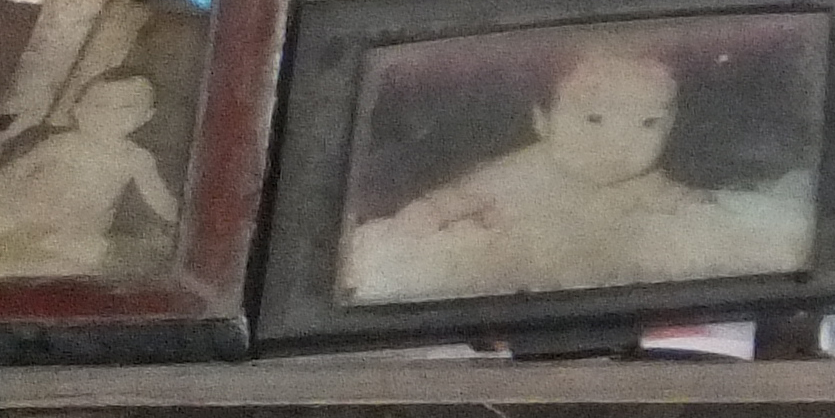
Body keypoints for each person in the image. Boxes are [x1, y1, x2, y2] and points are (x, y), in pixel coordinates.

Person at [340, 47, 810, 304]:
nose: (619, 142)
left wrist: (698, 214)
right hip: (515, 276)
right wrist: (426, 215)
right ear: (542, 120)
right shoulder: (521, 172)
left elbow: (687, 208)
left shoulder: (646, 183)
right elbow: (458, 198)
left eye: (648, 124)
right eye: (594, 119)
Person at [0, 72, 177, 278]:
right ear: (78, 110)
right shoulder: (62, 143)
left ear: (146, 116)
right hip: (30, 209)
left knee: (82, 259)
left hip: (76, 226)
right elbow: (19, 169)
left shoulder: (137, 158)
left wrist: (177, 218)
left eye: (126, 107)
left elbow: (158, 196)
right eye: (99, 105)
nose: (109, 114)